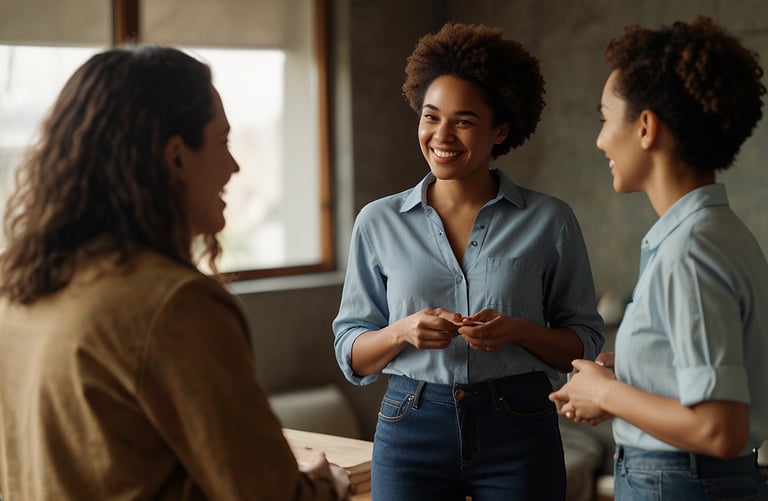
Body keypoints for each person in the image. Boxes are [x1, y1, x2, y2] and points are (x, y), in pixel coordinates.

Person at [0, 45, 349, 500]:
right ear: (177, 157)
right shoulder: (175, 304)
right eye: (223, 142)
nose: (234, 165)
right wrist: (326, 485)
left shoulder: (17, 286)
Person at [332, 22, 604, 500]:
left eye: (464, 120)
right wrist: (401, 331)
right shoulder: (377, 222)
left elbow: (581, 343)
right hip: (409, 425)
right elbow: (350, 349)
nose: (442, 135)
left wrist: (517, 330)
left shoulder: (550, 221)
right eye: (431, 116)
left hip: (519, 425)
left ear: (500, 130)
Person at [549, 15, 768, 499]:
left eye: (605, 117)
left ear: (646, 127)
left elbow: (720, 428)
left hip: (679, 483)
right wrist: (631, 375)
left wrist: (605, 393)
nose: (600, 138)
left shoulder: (691, 250)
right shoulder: (715, 234)